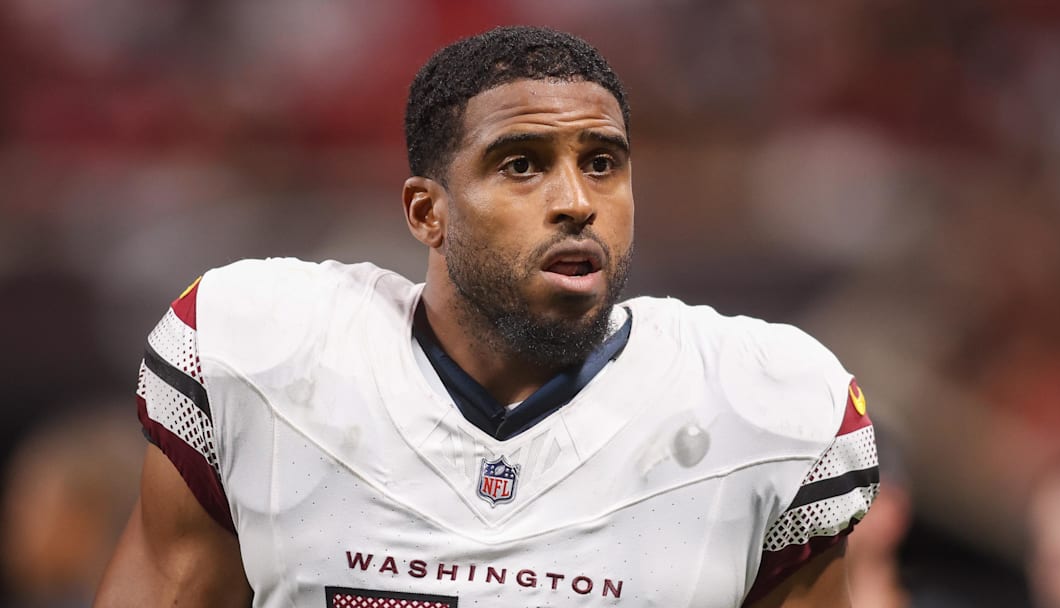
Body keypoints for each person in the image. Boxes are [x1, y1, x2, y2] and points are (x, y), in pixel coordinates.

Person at [94, 26, 878, 607]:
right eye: (522, 164)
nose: (576, 202)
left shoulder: (761, 405)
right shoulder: (265, 352)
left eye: (601, 162)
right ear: (427, 212)